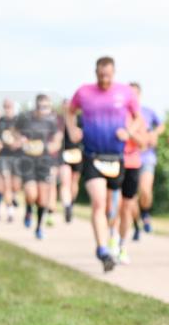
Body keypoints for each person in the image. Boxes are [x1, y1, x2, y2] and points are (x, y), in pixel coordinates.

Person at [67, 56, 142, 272]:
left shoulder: (125, 92)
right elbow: (70, 112)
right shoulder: (83, 92)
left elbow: (137, 118)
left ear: (114, 73)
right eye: (101, 75)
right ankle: (102, 249)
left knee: (113, 208)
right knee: (99, 202)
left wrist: (128, 132)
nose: (104, 79)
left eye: (108, 75)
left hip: (116, 157)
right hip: (92, 155)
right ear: (95, 73)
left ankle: (114, 241)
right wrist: (72, 130)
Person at [15, 94, 62, 239]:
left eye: (47, 107)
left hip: (44, 161)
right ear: (36, 106)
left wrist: (49, 146)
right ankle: (29, 208)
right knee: (31, 194)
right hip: (28, 160)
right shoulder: (26, 119)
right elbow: (15, 132)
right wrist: (20, 139)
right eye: (42, 106)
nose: (44, 109)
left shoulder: (52, 121)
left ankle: (39, 227)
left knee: (42, 199)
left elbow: (57, 140)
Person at [115, 104, 148, 264]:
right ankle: (111, 239)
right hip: (112, 162)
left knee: (126, 208)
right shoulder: (112, 116)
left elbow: (143, 144)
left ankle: (122, 246)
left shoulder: (139, 120)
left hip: (132, 165)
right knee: (113, 205)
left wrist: (129, 133)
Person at [131, 83, 164, 236]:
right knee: (131, 197)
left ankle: (145, 213)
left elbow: (161, 126)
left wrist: (154, 134)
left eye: (135, 93)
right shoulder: (122, 113)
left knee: (145, 190)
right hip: (129, 157)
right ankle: (135, 225)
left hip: (147, 157)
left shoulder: (148, 111)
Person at [0, 99, 22, 221]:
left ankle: (14, 196)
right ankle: (10, 211)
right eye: (5, 106)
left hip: (17, 156)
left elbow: (24, 137)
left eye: (9, 106)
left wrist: (17, 143)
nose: (7, 108)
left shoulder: (18, 120)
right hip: (4, 155)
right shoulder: (0, 121)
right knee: (6, 182)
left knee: (16, 185)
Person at [58, 99, 83, 223]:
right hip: (63, 154)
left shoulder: (79, 119)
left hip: (77, 154)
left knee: (74, 182)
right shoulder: (57, 121)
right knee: (65, 181)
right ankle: (67, 205)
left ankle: (71, 203)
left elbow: (81, 135)